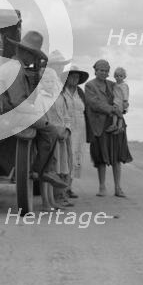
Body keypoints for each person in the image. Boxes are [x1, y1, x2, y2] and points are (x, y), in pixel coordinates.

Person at [0, 31, 67, 189]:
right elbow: (18, 102)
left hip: (5, 114)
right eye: (33, 56)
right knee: (51, 130)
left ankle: (42, 167)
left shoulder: (11, 67)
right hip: (7, 116)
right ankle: (43, 170)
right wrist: (38, 113)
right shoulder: (15, 69)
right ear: (24, 52)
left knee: (43, 124)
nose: (34, 60)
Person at [85, 59, 132, 197]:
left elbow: (121, 96)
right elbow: (94, 104)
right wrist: (112, 109)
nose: (103, 73)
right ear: (95, 70)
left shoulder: (113, 84)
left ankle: (118, 187)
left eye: (106, 71)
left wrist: (124, 106)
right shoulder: (90, 86)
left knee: (117, 157)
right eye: (101, 70)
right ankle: (102, 187)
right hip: (99, 126)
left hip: (115, 124)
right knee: (101, 158)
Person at [35, 67, 71, 208]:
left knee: (55, 170)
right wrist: (56, 131)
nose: (49, 83)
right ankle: (45, 202)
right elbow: (42, 118)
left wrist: (66, 130)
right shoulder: (40, 98)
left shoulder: (59, 97)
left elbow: (66, 115)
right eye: (46, 81)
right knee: (48, 169)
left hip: (62, 137)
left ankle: (52, 200)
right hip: (48, 139)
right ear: (41, 83)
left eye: (52, 80)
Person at [60, 64, 89, 200]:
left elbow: (86, 111)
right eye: (72, 76)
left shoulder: (80, 93)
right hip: (65, 127)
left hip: (80, 129)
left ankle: (69, 187)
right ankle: (61, 189)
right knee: (65, 158)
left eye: (77, 77)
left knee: (76, 158)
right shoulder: (61, 91)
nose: (75, 79)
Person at [108, 67, 129, 133]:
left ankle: (114, 125)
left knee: (115, 113)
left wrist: (125, 101)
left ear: (124, 77)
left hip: (120, 102)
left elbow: (125, 93)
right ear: (114, 76)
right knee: (119, 115)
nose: (118, 77)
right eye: (117, 76)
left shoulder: (123, 85)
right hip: (117, 101)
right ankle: (119, 127)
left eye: (121, 76)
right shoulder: (115, 84)